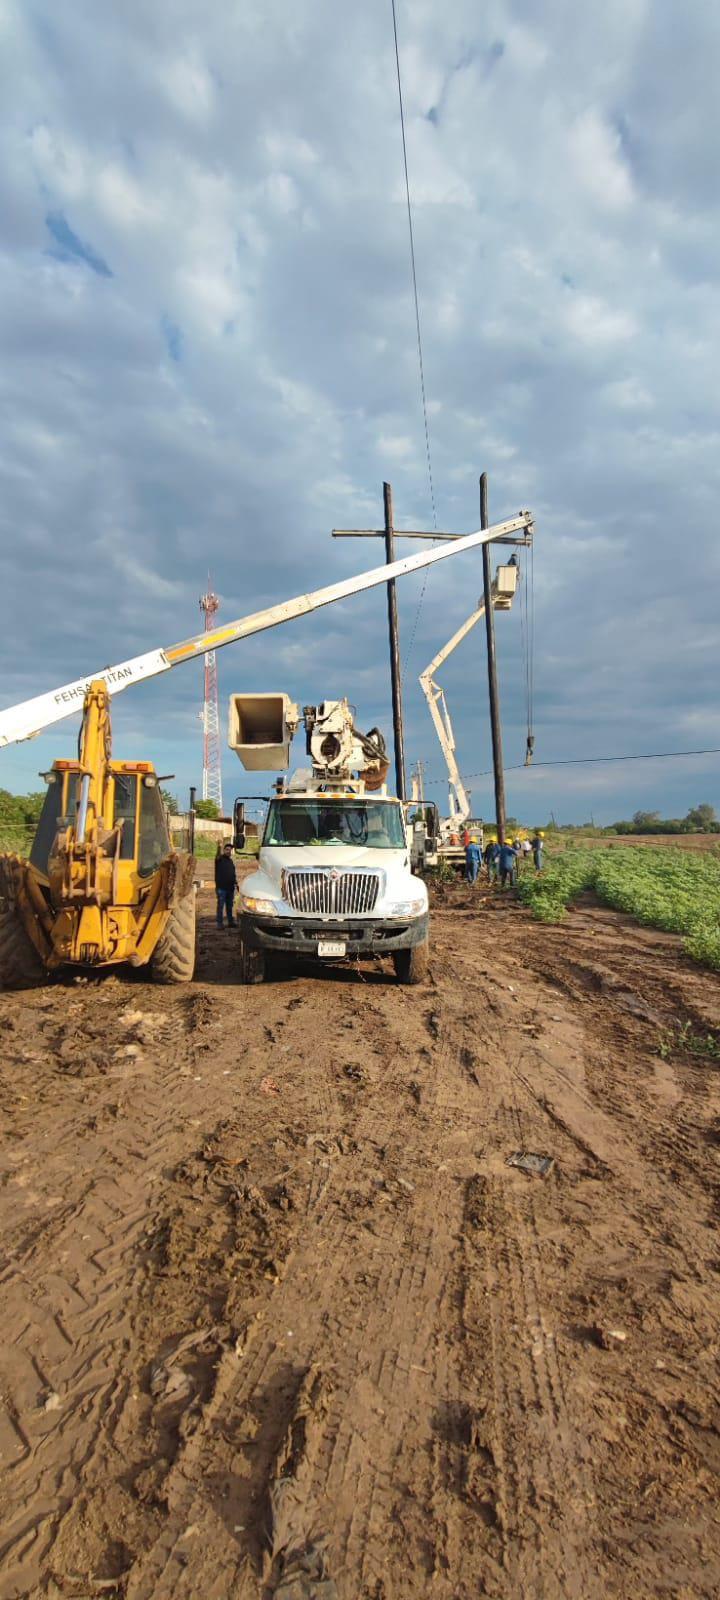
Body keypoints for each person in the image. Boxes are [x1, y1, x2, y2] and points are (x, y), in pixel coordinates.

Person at [215, 842, 237, 928]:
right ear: (223, 850)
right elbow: (217, 856)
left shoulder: (230, 861)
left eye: (230, 850)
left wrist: (235, 882)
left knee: (229, 906)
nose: (229, 851)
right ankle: (219, 924)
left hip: (230, 888)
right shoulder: (219, 859)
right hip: (221, 888)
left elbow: (233, 873)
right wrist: (219, 847)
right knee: (220, 906)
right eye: (227, 850)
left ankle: (230, 922)